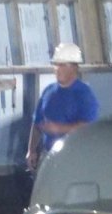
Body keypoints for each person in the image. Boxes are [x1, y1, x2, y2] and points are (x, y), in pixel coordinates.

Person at [25, 42, 99, 172]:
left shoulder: (84, 94)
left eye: (62, 65)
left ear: (74, 67)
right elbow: (37, 123)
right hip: (49, 157)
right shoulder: (48, 91)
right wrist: (31, 150)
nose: (57, 69)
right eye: (56, 64)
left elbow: (89, 127)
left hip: (74, 161)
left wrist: (59, 128)